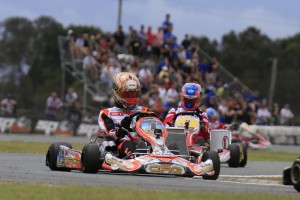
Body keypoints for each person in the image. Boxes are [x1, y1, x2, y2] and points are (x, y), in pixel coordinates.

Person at [98, 72, 150, 159]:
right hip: (120, 144)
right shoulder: (107, 113)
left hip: (143, 141)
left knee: (163, 144)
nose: (131, 98)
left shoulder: (144, 111)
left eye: (134, 94)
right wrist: (122, 129)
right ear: (117, 93)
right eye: (127, 95)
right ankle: (135, 157)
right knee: (127, 143)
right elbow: (111, 133)